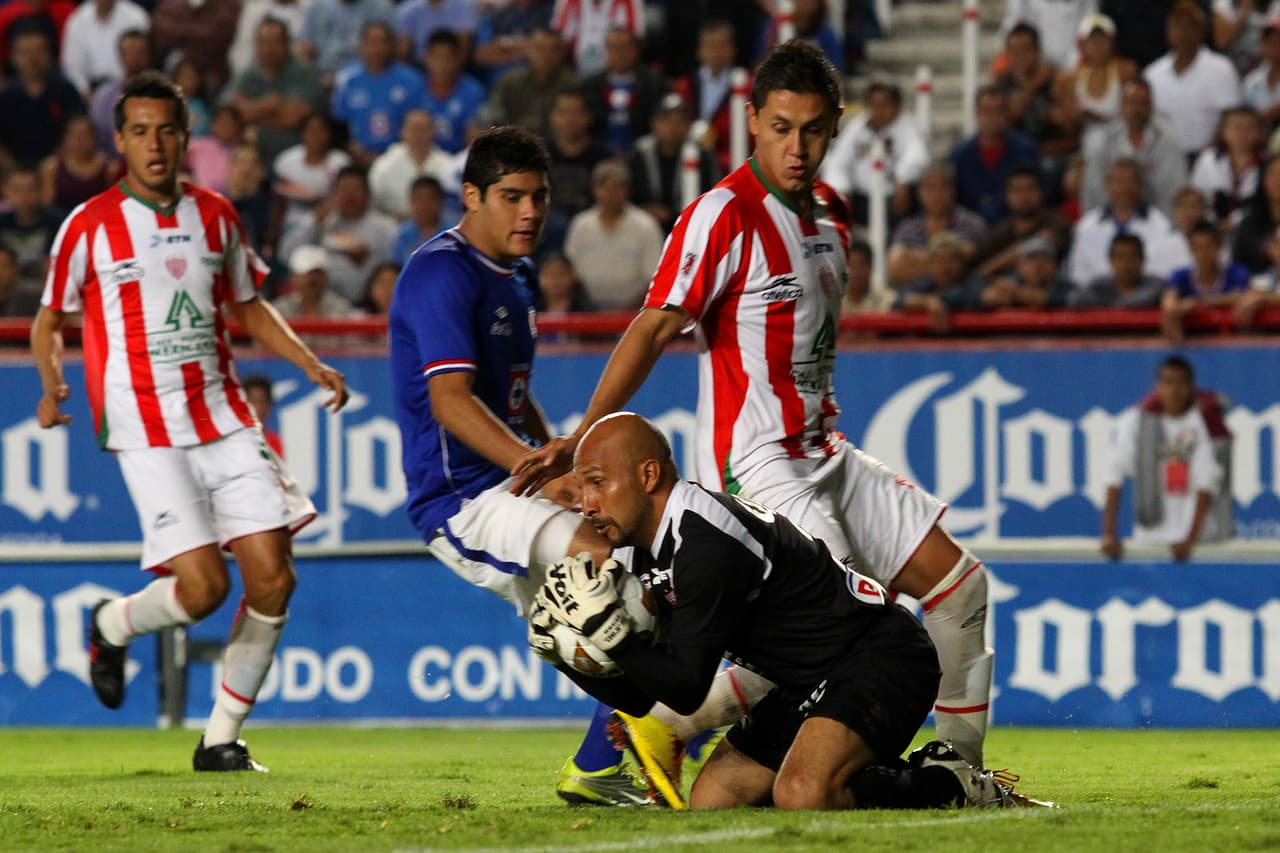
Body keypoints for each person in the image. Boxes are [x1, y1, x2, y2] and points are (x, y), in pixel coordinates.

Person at [513, 41, 998, 771]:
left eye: (810, 129)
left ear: (836, 124)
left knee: (962, 587)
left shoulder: (832, 213)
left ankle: (960, 770)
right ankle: (663, 731)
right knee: (828, 628)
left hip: (824, 452)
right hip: (757, 463)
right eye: (778, 128)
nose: (795, 147)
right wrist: (584, 439)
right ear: (751, 121)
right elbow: (653, 326)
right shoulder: (721, 215)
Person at [30, 71, 348, 772]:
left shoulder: (217, 215)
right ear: (120, 140)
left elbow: (249, 304)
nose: (154, 144)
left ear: (185, 138)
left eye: (167, 130)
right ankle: (112, 624)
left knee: (274, 578)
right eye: (140, 131)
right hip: (144, 425)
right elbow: (49, 316)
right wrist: (53, 383)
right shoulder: (87, 225)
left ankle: (221, 738)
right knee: (204, 589)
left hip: (225, 415)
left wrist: (308, 364)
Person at [529, 413, 1042, 811]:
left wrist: (613, 636)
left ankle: (948, 782)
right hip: (805, 681)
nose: (586, 503)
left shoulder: (702, 541)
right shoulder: (649, 547)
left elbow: (685, 689)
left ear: (647, 475)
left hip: (879, 660)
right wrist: (573, 656)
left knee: (803, 793)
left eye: (597, 482)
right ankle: (852, 770)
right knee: (714, 801)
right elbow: (643, 695)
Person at [1101, 355, 1232, 561]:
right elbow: (1113, 475)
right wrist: (1108, 534)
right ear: (1157, 386)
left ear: (1191, 387)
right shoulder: (1137, 422)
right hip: (1149, 540)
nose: (1174, 390)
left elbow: (1205, 484)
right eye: (1168, 382)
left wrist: (1190, 540)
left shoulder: (1203, 423)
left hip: (1195, 545)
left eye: (1181, 382)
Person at [818, 80, 928, 225]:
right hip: (859, 198)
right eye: (873, 104)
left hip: (894, 199)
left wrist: (904, 182)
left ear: (898, 106)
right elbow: (838, 162)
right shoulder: (857, 127)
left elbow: (917, 157)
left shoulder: (908, 127)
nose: (878, 110)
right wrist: (842, 189)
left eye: (884, 105)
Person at [563, 159, 666, 310]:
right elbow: (571, 272)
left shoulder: (646, 225)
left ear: (628, 190)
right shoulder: (581, 224)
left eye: (617, 187)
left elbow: (655, 278)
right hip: (587, 312)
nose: (610, 193)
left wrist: (626, 311)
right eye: (604, 187)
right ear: (594, 189)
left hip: (635, 312)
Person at [1144, 1, 1242, 158]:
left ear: (1202, 31)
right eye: (1178, 27)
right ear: (1168, 32)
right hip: (1165, 159)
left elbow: (1231, 117)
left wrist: (1206, 157)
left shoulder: (1222, 69)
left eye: (1190, 26)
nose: (1184, 33)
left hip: (1211, 158)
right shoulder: (1152, 74)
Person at [1082, 78, 1187, 217]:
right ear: (1121, 107)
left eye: (1142, 103)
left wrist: (1157, 225)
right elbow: (1093, 189)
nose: (1136, 110)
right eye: (1131, 103)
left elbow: (1174, 191)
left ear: (1151, 107)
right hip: (1111, 220)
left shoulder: (1168, 144)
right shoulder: (1104, 142)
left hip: (1154, 222)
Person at [628, 93, 722, 233]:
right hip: (644, 227)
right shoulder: (640, 153)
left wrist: (673, 214)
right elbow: (630, 193)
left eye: (680, 121)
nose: (673, 127)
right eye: (666, 120)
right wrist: (646, 209)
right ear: (654, 123)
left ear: (688, 125)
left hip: (690, 226)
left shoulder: (700, 155)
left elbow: (712, 194)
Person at [948, 86, 1040, 226]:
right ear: (977, 114)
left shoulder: (1026, 151)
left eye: (999, 111)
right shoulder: (960, 155)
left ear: (1008, 113)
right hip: (971, 230)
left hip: (1015, 228)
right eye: (987, 112)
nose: (993, 118)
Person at [0, 26, 86, 169]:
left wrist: (53, 165)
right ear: (14, 57)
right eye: (25, 52)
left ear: (49, 54)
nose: (32, 58)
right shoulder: (6, 96)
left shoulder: (65, 91)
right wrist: (12, 168)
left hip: (60, 167)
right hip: (14, 172)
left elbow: (78, 131)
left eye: (39, 51)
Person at [1161, 219, 1252, 341]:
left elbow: (1243, 296)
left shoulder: (1237, 273)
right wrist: (1179, 308)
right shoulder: (1180, 276)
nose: (1203, 253)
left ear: (1219, 246)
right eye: (1197, 248)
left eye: (1209, 246)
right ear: (1190, 249)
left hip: (1232, 340)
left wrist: (1198, 303)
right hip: (1191, 341)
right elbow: (1169, 305)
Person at [59, 0, 150, 99]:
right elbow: (72, 67)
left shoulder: (136, 17)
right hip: (89, 91)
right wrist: (85, 93)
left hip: (127, 87)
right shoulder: (77, 20)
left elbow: (142, 59)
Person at [1068, 232, 1166, 307]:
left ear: (1142, 260)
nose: (1126, 263)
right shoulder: (1098, 286)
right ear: (1111, 260)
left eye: (1132, 257)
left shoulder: (1156, 286)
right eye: (1120, 257)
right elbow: (1074, 300)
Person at [242, 374, 284, 457]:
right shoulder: (234, 440)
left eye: (260, 401)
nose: (255, 407)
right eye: (252, 400)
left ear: (269, 405)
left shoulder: (274, 442)